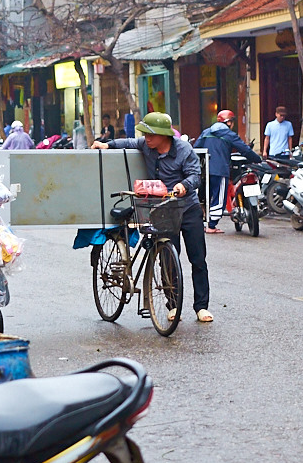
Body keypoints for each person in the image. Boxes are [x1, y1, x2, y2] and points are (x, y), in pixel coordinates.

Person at [92, 111, 214, 324]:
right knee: (167, 258)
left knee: (198, 259)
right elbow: (128, 142)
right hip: (162, 210)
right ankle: (173, 304)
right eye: (145, 135)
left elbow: (195, 175)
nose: (146, 138)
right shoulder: (145, 145)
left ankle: (201, 306)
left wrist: (183, 186)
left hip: (187, 208)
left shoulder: (184, 150)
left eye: (151, 135)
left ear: (164, 135)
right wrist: (107, 145)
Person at [194, 110, 262, 234]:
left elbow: (196, 148)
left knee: (207, 197)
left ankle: (204, 223)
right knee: (219, 197)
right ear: (228, 122)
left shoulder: (206, 132)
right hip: (220, 169)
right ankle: (212, 225)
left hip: (205, 170)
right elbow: (244, 149)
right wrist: (257, 159)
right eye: (231, 122)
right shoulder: (229, 134)